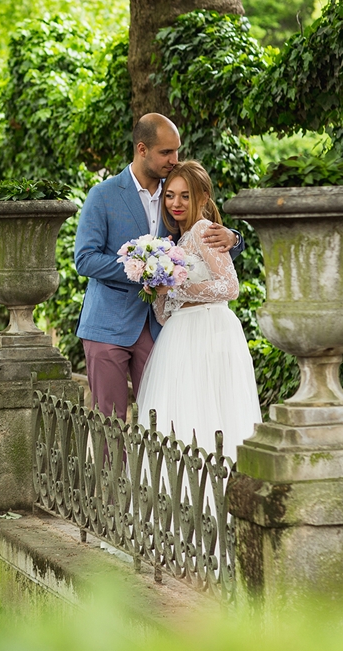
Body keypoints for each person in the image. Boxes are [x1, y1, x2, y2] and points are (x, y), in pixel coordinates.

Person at [74, 113, 245, 423]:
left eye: (176, 150)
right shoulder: (103, 196)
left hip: (161, 328)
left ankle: (155, 475)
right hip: (108, 324)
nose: (174, 159)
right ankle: (113, 475)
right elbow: (85, 258)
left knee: (165, 420)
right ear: (142, 149)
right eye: (166, 152)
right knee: (109, 421)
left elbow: (202, 238)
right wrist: (144, 269)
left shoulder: (176, 193)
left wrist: (235, 238)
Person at [134, 161, 261, 459]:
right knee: (180, 414)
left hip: (211, 331)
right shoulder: (174, 243)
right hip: (178, 335)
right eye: (170, 195)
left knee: (212, 411)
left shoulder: (204, 230)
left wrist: (175, 286)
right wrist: (157, 288)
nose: (176, 203)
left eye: (185, 196)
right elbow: (164, 315)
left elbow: (230, 287)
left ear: (203, 198)